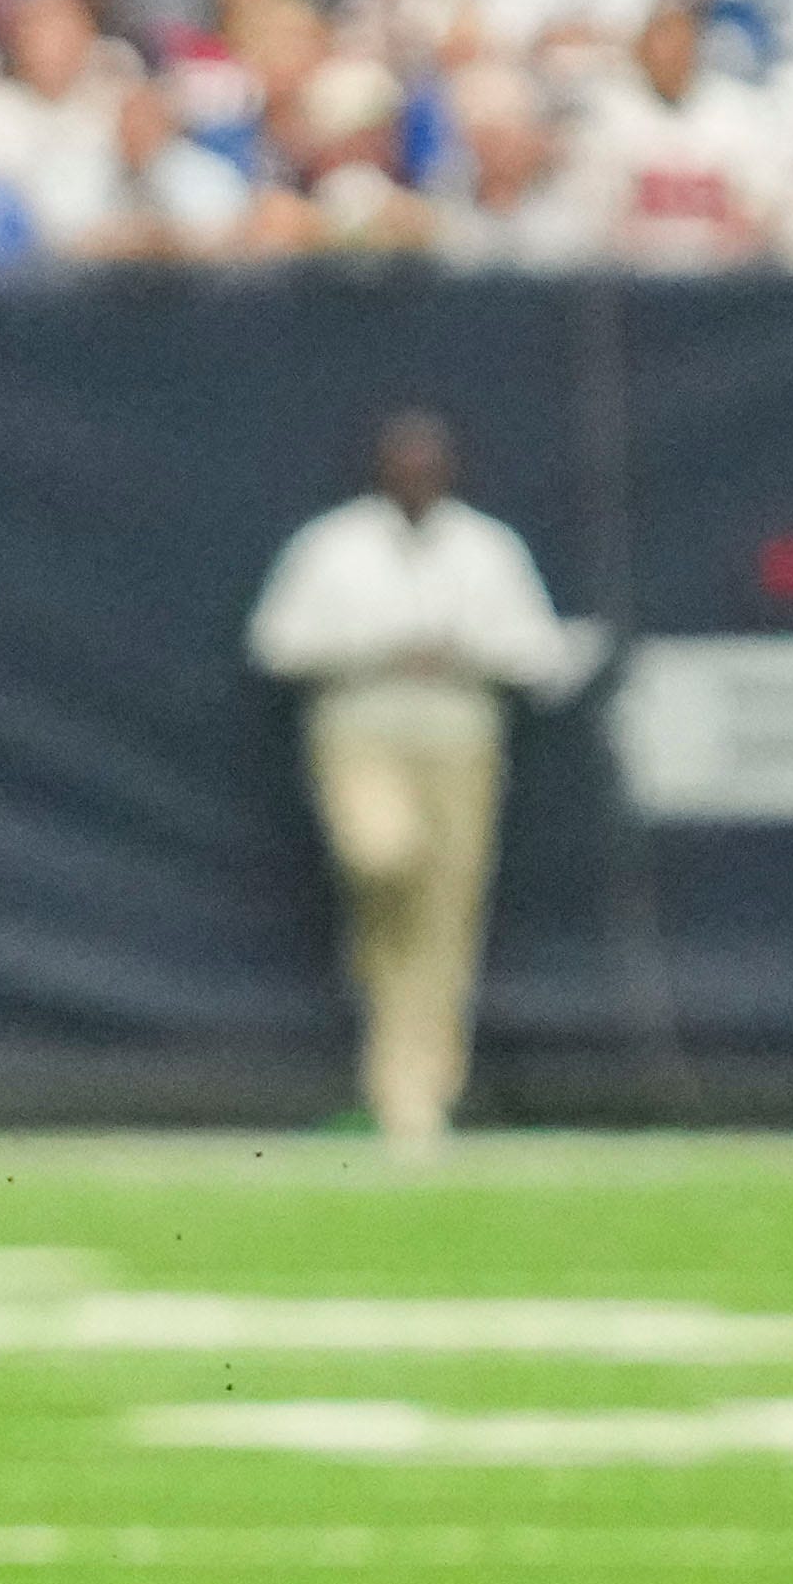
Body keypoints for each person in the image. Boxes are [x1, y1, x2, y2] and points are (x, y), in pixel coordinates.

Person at [237, 408, 596, 1155]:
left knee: (444, 917)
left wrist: (460, 651)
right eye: (403, 461)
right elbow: (276, 642)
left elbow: (539, 652)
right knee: (381, 859)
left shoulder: (485, 547)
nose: (416, 475)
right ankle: (391, 1035)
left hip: (459, 731)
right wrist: (381, 647)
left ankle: (415, 1097)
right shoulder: (332, 545)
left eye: (429, 462)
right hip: (360, 724)